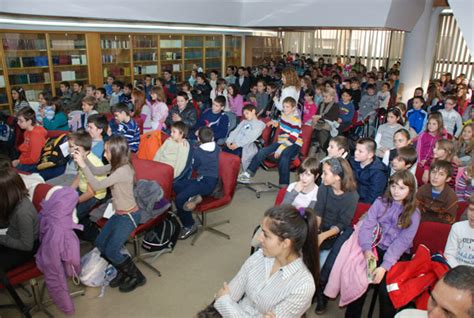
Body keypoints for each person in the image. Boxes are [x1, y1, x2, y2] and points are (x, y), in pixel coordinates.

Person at [205, 205, 318, 317]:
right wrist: (226, 303)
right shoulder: (259, 256)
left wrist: (224, 303)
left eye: (266, 235)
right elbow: (232, 293)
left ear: (285, 243)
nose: (259, 238)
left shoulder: (303, 286)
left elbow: (223, 298)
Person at [72, 135, 146, 293]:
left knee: (111, 249)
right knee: (100, 243)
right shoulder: (116, 165)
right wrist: (85, 157)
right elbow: (97, 170)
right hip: (119, 214)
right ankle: (122, 270)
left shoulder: (123, 170)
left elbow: (98, 185)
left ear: (116, 153)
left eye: (107, 151)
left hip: (129, 216)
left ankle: (137, 277)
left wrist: (82, 164)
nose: (104, 154)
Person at [344, 171, 420, 318]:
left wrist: (384, 267)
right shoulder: (381, 202)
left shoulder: (414, 213)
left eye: (402, 188)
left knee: (387, 291)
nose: (396, 191)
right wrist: (367, 250)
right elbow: (367, 226)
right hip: (375, 247)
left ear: (410, 191)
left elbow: (402, 243)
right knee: (360, 279)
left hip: (397, 254)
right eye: (394, 186)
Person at [238, 97, 302, 187]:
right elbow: (282, 121)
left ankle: (284, 185)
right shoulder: (284, 114)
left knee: (284, 156)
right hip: (282, 140)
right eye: (284, 106)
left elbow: (293, 138)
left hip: (294, 143)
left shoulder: (296, 120)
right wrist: (274, 122)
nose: (284, 109)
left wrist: (280, 149)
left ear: (293, 108)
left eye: (287, 107)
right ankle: (248, 174)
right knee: (262, 151)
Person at [173, 127, 219, 240]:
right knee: (176, 185)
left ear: (198, 138)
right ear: (212, 138)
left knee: (179, 198)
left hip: (205, 183)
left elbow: (195, 166)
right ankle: (193, 199)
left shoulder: (198, 152)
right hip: (209, 180)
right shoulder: (217, 148)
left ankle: (189, 225)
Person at [69, 132, 106, 242]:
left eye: (72, 147)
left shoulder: (92, 164)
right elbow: (79, 177)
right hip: (84, 190)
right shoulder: (80, 157)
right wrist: (68, 192)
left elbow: (91, 193)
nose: (69, 150)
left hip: (95, 195)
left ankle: (96, 238)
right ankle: (83, 230)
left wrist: (72, 201)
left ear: (82, 149)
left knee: (71, 214)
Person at [0, 166, 39, 272]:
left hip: (23, 250)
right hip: (13, 238)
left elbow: (27, 246)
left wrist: (2, 239)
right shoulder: (14, 201)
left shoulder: (23, 212)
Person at [224, 104, 265, 171]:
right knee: (223, 155)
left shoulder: (259, 124)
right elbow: (235, 131)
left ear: (253, 111)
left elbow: (251, 137)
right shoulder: (244, 122)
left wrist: (237, 144)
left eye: (247, 113)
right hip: (235, 143)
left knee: (231, 157)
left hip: (246, 145)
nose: (245, 116)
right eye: (244, 114)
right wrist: (229, 141)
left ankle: (234, 173)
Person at [416, 160, 458, 224]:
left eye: (441, 174)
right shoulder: (423, 189)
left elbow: (449, 220)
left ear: (448, 179)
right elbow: (415, 210)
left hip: (438, 228)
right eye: (433, 172)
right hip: (419, 223)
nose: (435, 177)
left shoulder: (451, 196)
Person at [350, 138, 388, 204]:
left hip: (364, 204)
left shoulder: (378, 172)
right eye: (356, 149)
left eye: (360, 151)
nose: (356, 153)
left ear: (370, 155)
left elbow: (372, 198)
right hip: (352, 198)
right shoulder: (352, 162)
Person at [12, 107, 47, 173]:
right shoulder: (27, 131)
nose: (18, 123)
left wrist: (19, 161)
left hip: (30, 165)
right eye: (18, 120)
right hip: (24, 160)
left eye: (21, 121)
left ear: (29, 121)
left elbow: (34, 159)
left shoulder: (36, 135)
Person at [415, 112, 446, 184]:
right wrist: (420, 161)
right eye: (429, 123)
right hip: (420, 163)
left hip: (434, 163)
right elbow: (419, 149)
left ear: (439, 125)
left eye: (434, 124)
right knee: (419, 181)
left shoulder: (441, 137)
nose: (431, 126)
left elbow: (441, 152)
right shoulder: (423, 135)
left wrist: (430, 162)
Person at [444, 194, 474, 268]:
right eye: (471, 210)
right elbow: (449, 255)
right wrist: (460, 272)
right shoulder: (457, 227)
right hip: (457, 272)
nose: (472, 215)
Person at [310, 88, 340, 153]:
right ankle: (318, 147)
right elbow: (317, 114)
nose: (324, 98)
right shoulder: (321, 104)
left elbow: (332, 118)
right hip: (320, 123)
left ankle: (324, 149)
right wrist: (316, 118)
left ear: (332, 97)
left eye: (326, 96)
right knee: (314, 130)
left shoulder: (335, 106)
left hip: (329, 125)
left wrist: (320, 116)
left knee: (321, 132)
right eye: (323, 96)